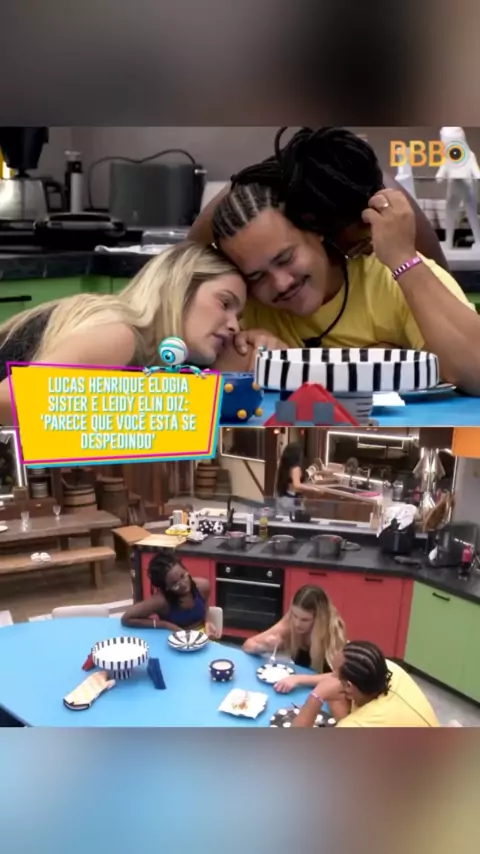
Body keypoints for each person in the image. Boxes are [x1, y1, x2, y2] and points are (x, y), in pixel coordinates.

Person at [195, 128, 480, 394]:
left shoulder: (393, 275)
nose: (280, 283)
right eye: (257, 276)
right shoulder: (239, 301)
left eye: (286, 257)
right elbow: (182, 363)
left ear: (315, 228)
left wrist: (403, 260)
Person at [0, 241, 279, 425]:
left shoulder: (153, 351)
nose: (234, 326)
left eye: (238, 318)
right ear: (181, 287)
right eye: (225, 303)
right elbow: (10, 401)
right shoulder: (121, 336)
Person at [292, 640, 439, 727]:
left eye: (335, 672)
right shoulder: (388, 668)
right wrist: (300, 679)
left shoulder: (357, 726)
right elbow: (334, 680)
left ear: (348, 686)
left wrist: (316, 696)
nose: (331, 677)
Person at [243, 584, 347, 697]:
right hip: (299, 690)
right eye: (294, 616)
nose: (297, 624)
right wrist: (265, 646)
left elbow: (341, 677)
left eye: (305, 620)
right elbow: (248, 645)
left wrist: (298, 679)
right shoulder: (290, 621)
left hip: (326, 693)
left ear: (319, 619)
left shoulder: (333, 631)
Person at [121, 551, 220, 638]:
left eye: (183, 575)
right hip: (174, 639)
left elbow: (206, 604)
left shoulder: (203, 586)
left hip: (202, 637)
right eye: (175, 583)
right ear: (166, 587)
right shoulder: (161, 601)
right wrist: (165, 625)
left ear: (186, 570)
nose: (183, 584)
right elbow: (126, 618)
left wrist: (208, 621)